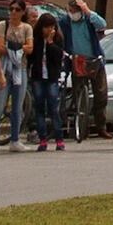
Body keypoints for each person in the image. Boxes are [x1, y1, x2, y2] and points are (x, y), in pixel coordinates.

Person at [60, 0, 111, 139]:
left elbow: (102, 24)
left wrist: (87, 11)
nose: (72, 14)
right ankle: (81, 126)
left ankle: (101, 126)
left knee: (101, 95)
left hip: (94, 59)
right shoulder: (65, 22)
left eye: (75, 11)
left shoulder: (88, 19)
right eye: (70, 11)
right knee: (78, 94)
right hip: (77, 60)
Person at [0, 0, 35, 152]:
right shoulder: (3, 25)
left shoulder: (27, 28)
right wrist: (18, 48)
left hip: (20, 69)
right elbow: (0, 47)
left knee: (18, 106)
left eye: (17, 10)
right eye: (11, 9)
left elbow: (30, 48)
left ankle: (15, 139)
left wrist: (14, 47)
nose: (13, 12)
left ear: (23, 12)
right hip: (4, 68)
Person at [29, 13, 68, 151]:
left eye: (51, 27)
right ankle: (43, 138)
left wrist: (51, 43)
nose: (49, 30)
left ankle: (59, 138)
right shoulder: (36, 39)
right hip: (38, 77)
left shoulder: (57, 39)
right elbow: (32, 57)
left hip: (51, 77)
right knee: (39, 107)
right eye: (46, 27)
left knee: (54, 108)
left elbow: (58, 57)